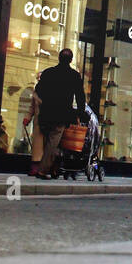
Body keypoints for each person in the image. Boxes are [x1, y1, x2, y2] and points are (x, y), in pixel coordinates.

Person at [34, 49, 86, 178]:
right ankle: (43, 170)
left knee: (48, 141)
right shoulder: (74, 75)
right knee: (53, 142)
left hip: (46, 112)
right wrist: (80, 113)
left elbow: (38, 90)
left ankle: (52, 168)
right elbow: (80, 96)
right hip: (61, 114)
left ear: (59, 58)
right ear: (71, 60)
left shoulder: (48, 72)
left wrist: (45, 101)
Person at [22, 86, 45, 177]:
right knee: (37, 147)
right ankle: (36, 166)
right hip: (39, 122)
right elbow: (32, 107)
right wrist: (27, 118)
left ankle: (45, 167)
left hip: (50, 122)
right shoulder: (37, 91)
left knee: (48, 145)